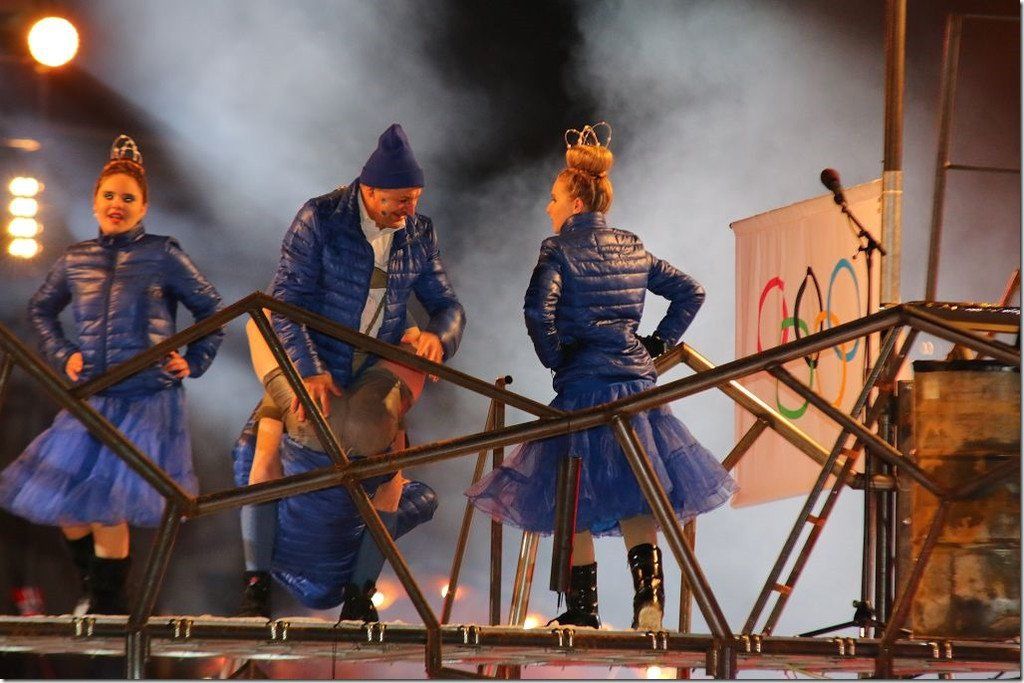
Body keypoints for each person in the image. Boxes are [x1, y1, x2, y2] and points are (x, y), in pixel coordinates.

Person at [465, 123, 737, 631]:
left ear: (573, 202)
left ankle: (584, 610)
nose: (548, 207)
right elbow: (691, 292)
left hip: (585, 387)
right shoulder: (632, 246)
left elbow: (536, 311)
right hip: (635, 387)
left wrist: (557, 357)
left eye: (553, 198)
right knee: (638, 494)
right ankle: (649, 602)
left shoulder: (558, 249)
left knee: (571, 497)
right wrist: (656, 344)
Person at [241, 122, 464, 621]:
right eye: (401, 201)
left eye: (415, 200)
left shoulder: (419, 233)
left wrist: (438, 336)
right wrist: (309, 370)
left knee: (389, 460)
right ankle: (256, 585)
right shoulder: (319, 217)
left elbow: (447, 304)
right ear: (371, 191)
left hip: (372, 363)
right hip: (309, 350)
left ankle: (361, 594)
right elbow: (286, 302)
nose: (409, 212)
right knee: (270, 438)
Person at [0, 135, 224, 615]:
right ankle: (99, 593)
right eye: (109, 195)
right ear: (94, 200)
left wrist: (194, 359)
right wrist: (64, 353)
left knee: (106, 505)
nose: (116, 204)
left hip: (147, 394)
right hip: (94, 395)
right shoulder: (76, 258)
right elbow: (41, 309)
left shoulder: (163, 253)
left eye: (127, 197)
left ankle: (107, 603)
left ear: (144, 207)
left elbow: (210, 308)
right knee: (65, 503)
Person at [233, 313, 438, 619]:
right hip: (330, 428)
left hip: (329, 422)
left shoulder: (304, 553)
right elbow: (390, 496)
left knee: (262, 317)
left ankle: (259, 588)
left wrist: (256, 591)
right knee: (262, 318)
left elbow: (263, 467)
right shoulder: (278, 550)